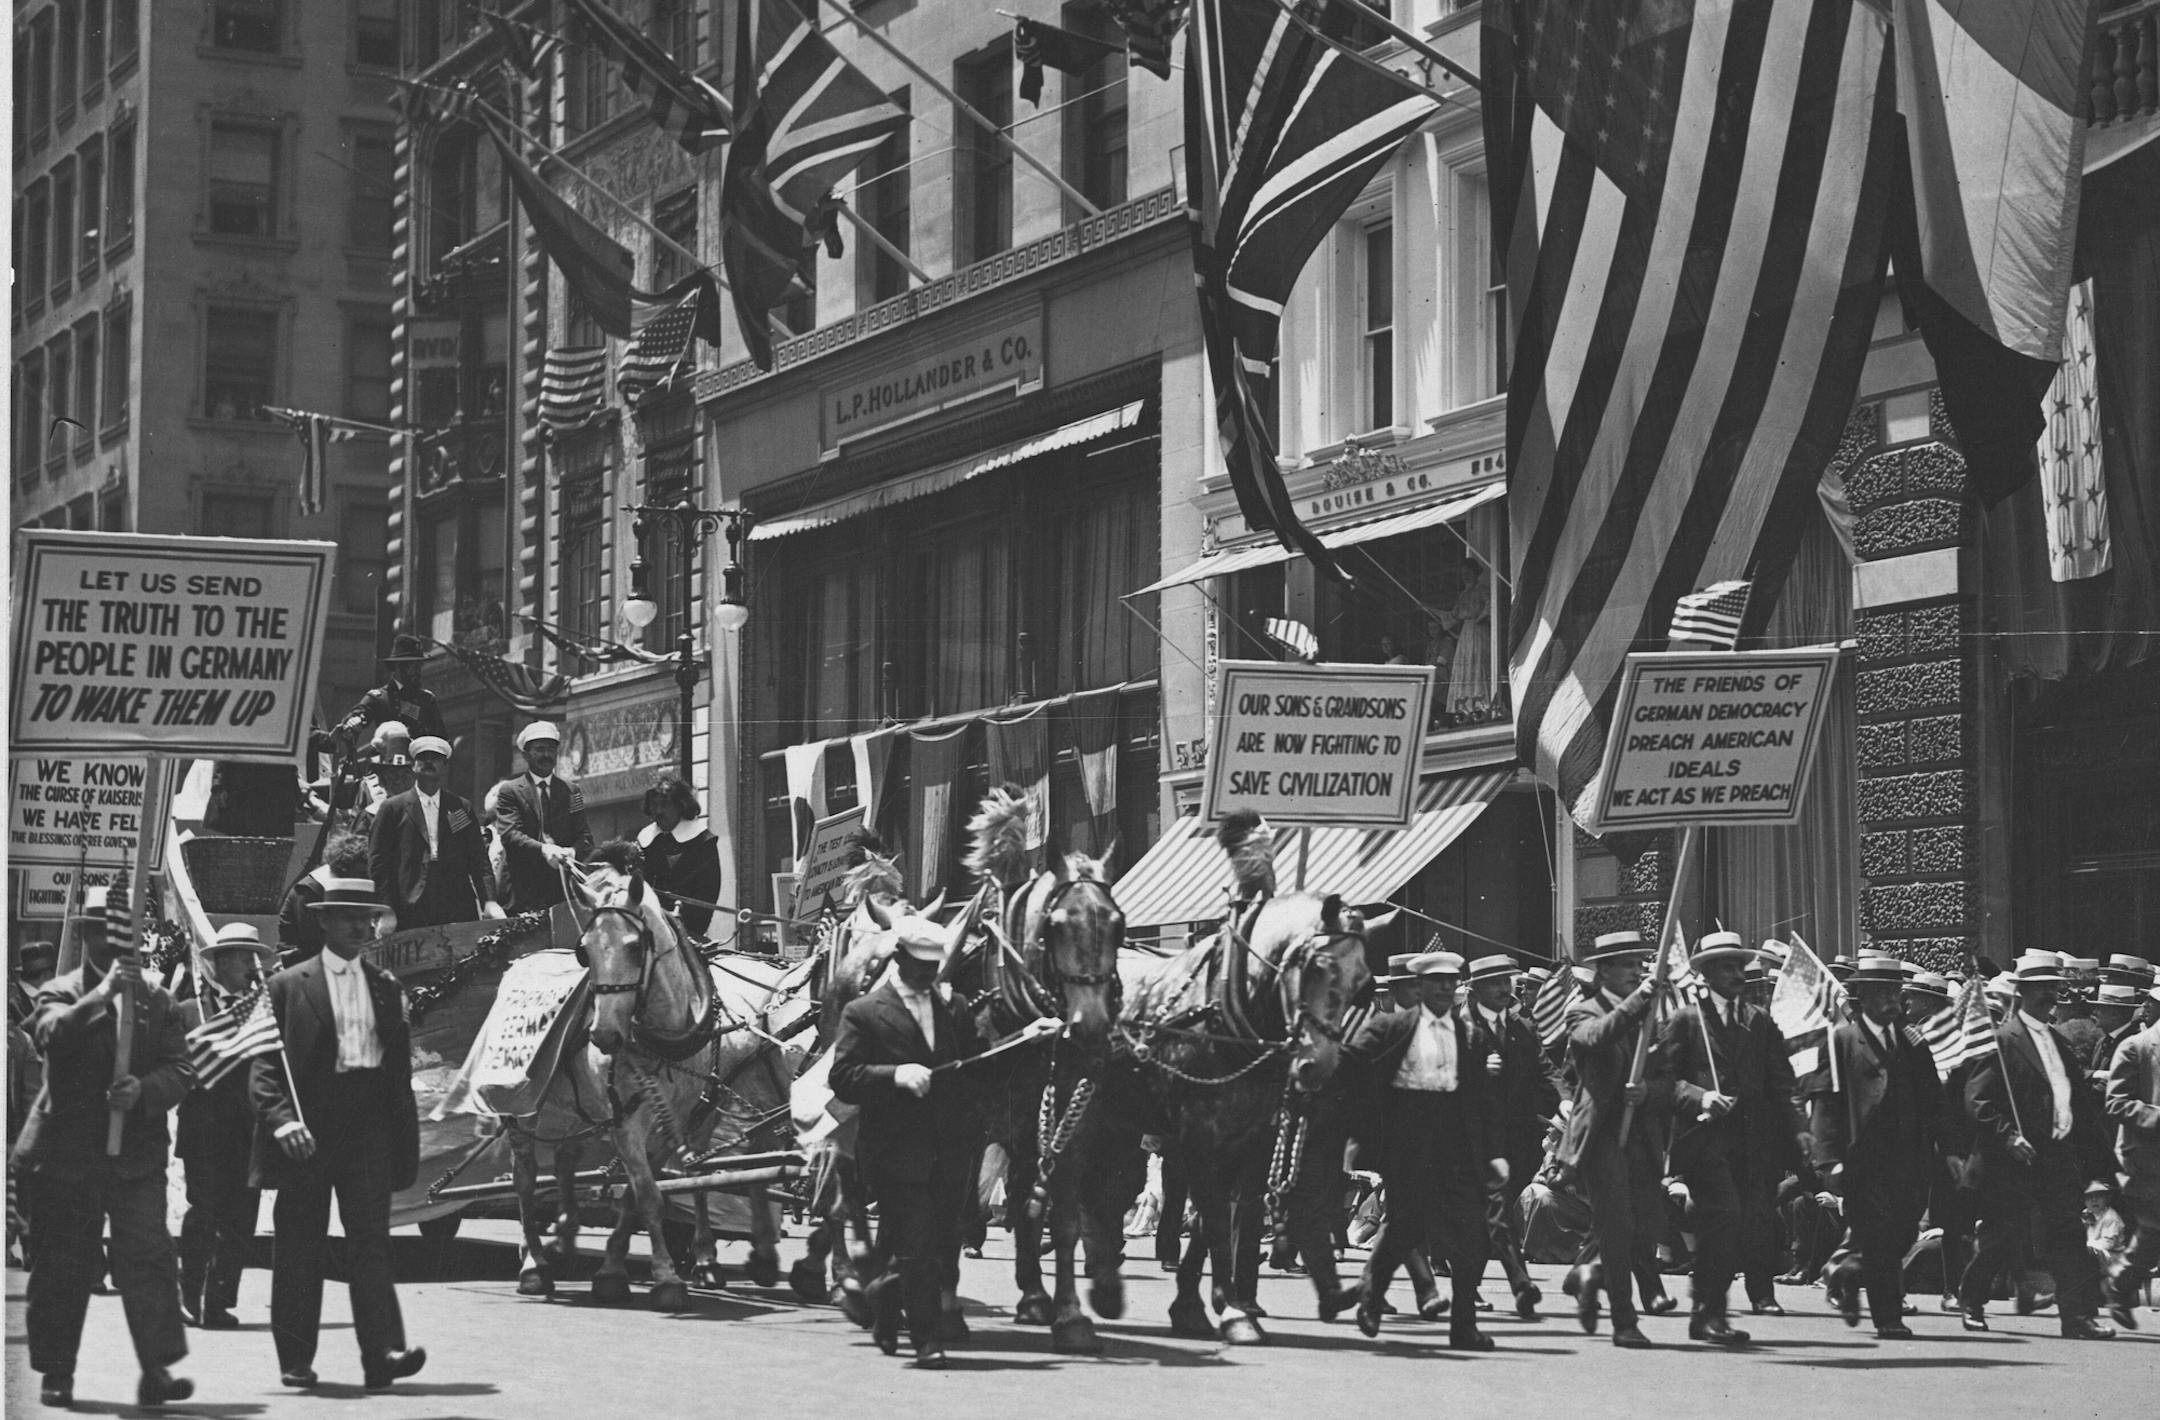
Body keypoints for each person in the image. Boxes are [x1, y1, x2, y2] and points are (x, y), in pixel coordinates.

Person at [12, 895, 195, 1409]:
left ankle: (156, 1369)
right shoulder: (59, 990)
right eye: (101, 932)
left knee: (148, 1259)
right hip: (69, 1155)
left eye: (123, 932)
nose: (113, 943)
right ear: (86, 935)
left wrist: (144, 1090)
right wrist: (101, 997)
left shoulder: (156, 1000)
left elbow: (180, 1069)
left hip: (136, 1155)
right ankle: (56, 1371)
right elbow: (48, 1035)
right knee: (64, 1267)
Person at [251, 877, 429, 1389]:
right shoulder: (286, 987)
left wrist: (398, 1136)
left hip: (367, 1129)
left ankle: (383, 1354)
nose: (360, 925)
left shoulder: (386, 987)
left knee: (371, 1243)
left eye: (367, 916)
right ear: (322, 921)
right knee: (300, 1245)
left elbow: (396, 1073)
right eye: (348, 915)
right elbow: (263, 1067)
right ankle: (295, 1359)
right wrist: (282, 1120)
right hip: (308, 1131)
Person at [829, 916, 983, 1369]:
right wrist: (894, 1075)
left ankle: (882, 1302)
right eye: (919, 968)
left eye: (934, 969)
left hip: (948, 1150)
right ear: (898, 959)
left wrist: (1029, 1038)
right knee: (918, 1249)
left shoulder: (955, 1009)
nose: (928, 977)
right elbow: (843, 1078)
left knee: (934, 1244)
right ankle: (926, 1339)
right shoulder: (863, 1011)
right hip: (896, 1153)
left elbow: (976, 1066)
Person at [1653, 929, 1808, 1346]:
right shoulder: (1686, 1021)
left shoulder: (1758, 1020)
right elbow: (1663, 1080)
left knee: (1751, 1219)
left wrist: (1800, 1129)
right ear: (1705, 974)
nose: (1736, 973)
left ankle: (1723, 1305)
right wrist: (1701, 1097)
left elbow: (1782, 1080)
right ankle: (1710, 1310)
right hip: (1705, 1140)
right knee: (1723, 1219)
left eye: (1739, 965)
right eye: (1726, 966)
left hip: (1754, 1140)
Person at [1349, 951, 1506, 1351]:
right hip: (1409, 1145)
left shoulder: (1470, 1035)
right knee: (1404, 1228)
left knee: (1472, 1239)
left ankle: (1464, 1327)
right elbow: (1352, 1068)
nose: (1444, 989)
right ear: (1418, 987)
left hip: (1457, 1147)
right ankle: (1371, 1295)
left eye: (1450, 982)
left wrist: (1493, 1153)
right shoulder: (1392, 1028)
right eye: (1435, 982)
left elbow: (1483, 1102)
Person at [1956, 950, 2116, 1339]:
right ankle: (1972, 1300)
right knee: (2001, 1234)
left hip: (2057, 1156)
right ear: (2023, 992)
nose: (2049, 996)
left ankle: (2076, 1319)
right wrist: (2008, 1136)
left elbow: (2077, 1104)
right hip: (2014, 1157)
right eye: (2041, 989)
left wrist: (2101, 1160)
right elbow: (1977, 1100)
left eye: (2053, 989)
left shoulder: (2059, 1044)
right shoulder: (2002, 1040)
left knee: (2068, 1237)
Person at [1807, 953, 1943, 1338]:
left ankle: (1848, 1274)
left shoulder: (1913, 1043)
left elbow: (1935, 1102)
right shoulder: (1842, 1042)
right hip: (1861, 1161)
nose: (1891, 1000)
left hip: (1909, 1160)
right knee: (1880, 1238)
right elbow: (1825, 1105)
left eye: (1895, 992)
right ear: (1861, 998)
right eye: (1881, 992)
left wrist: (1949, 1151)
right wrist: (1828, 1159)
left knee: (1901, 1234)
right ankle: (1889, 1318)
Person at [1555, 930, 1667, 1348]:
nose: (1637, 972)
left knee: (1643, 1227)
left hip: (1640, 1133)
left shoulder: (1648, 1016)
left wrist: (1648, 1092)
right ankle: (1625, 1320)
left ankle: (1588, 1275)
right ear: (1602, 971)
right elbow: (1594, 1038)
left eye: (1641, 965)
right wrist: (1639, 1002)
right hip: (1601, 1135)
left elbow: (1664, 1074)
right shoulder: (1582, 1011)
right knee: (1616, 1225)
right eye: (1628, 965)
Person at [176, 923, 274, 1331]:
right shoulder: (188, 1011)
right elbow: (173, 1065)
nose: (251, 964)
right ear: (220, 962)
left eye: (255, 956)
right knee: (204, 1213)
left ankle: (218, 1300)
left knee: (240, 1218)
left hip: (248, 1131)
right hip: (203, 1129)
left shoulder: (265, 1011)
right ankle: (190, 1291)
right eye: (242, 956)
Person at [1461, 952, 1559, 1319]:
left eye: (1508, 982)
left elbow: (1546, 1069)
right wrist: (1475, 1068)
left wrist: (1564, 1103)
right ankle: (1521, 1282)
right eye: (1495, 983)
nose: (1505, 988)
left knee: (1492, 1213)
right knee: (1497, 1209)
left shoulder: (1524, 1027)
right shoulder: (1461, 1027)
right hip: (1479, 1138)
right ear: (1476, 990)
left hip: (1520, 1139)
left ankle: (1466, 1286)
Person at [370, 736, 504, 931]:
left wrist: (489, 901)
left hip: (455, 907)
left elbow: (477, 858)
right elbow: (378, 863)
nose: (428, 762)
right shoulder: (393, 809)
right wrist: (385, 909)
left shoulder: (458, 808)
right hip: (408, 909)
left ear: (445, 766)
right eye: (422, 757)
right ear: (413, 765)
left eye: (436, 758)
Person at [2103, 987, 2160, 1329]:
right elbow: (2117, 1102)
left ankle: (2120, 1282)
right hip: (2146, 1157)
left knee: (2154, 1232)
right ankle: (2120, 1281)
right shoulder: (2136, 1048)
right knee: (2154, 1228)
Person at [492, 722, 593, 914]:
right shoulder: (510, 791)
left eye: (551, 750)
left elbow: (585, 836)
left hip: (561, 892)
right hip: (522, 891)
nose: (546, 755)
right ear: (525, 755)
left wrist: (571, 852)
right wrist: (544, 849)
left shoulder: (572, 791)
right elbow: (510, 835)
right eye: (539, 750)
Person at [636, 773, 725, 937]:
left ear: (681, 806)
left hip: (688, 931)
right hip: (647, 928)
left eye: (665, 805)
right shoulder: (644, 842)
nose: (658, 812)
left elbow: (708, 893)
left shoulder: (703, 842)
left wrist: (687, 927)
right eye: (654, 805)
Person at [332, 634, 447, 752]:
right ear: (398, 666)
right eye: (412, 665)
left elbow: (441, 739)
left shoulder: (427, 699)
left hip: (417, 765)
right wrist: (354, 720)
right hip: (386, 763)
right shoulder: (379, 697)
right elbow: (358, 714)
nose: (418, 670)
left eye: (420, 665)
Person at [278, 830, 374, 967]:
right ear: (344, 869)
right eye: (363, 873)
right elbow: (312, 943)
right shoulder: (309, 891)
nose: (367, 878)